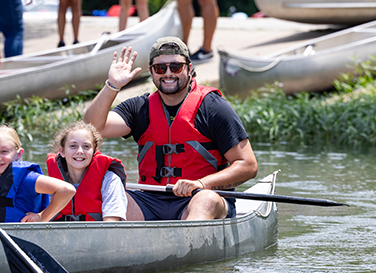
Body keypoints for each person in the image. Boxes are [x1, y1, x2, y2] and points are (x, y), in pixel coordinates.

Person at [82, 38, 258, 221]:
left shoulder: (214, 108)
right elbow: (92, 128)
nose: (168, 73)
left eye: (176, 67)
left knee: (206, 200)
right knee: (113, 197)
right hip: (150, 200)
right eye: (160, 68)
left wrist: (201, 183)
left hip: (200, 197)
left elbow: (248, 165)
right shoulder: (140, 107)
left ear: (189, 69)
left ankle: (188, 246)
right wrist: (112, 86)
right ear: (151, 71)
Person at [0, 125, 76, 223]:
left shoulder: (27, 179)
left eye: (4, 151)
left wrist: (42, 217)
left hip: (23, 235)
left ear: (19, 154)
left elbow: (67, 190)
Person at [42, 121, 128, 222]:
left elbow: (110, 226)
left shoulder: (111, 180)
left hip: (98, 235)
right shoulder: (51, 182)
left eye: (86, 146)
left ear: (94, 151)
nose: (80, 151)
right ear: (62, 151)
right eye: (73, 146)